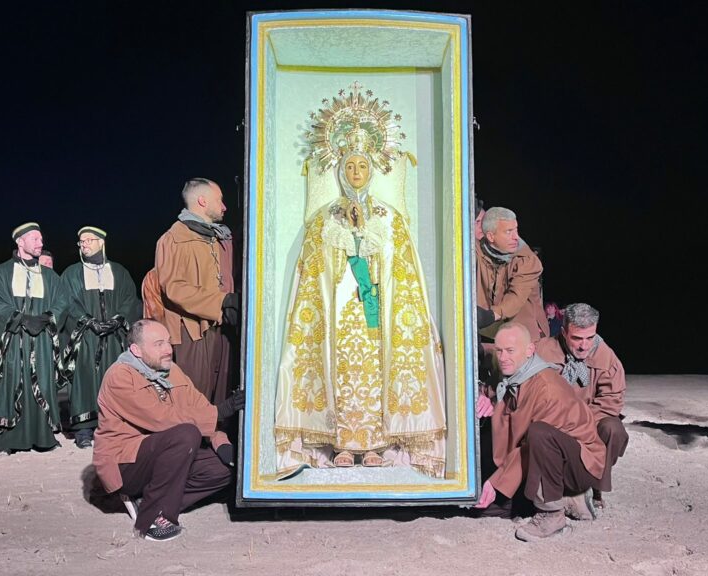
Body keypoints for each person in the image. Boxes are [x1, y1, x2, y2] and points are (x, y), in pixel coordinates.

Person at [274, 83, 447, 477]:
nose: (356, 173)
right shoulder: (324, 219)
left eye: (362, 166)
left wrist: (365, 240)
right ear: (339, 170)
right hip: (338, 311)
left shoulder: (389, 217)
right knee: (339, 370)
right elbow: (313, 270)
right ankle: (338, 443)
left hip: (377, 310)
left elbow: (402, 269)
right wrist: (346, 240)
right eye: (349, 166)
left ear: (372, 169)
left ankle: (374, 443)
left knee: (376, 370)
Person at [92, 319, 243, 541]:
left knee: (225, 471)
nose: (168, 350)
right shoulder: (119, 376)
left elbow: (202, 410)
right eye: (159, 344)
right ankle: (152, 517)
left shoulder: (173, 371)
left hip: (164, 456)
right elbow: (160, 419)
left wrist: (223, 445)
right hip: (127, 462)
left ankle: (147, 500)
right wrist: (221, 411)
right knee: (186, 434)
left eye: (169, 343)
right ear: (136, 350)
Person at [474, 322, 604, 541]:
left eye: (510, 351)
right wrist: (483, 397)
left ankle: (552, 512)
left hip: (579, 464)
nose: (503, 357)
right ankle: (566, 498)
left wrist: (496, 483)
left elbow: (531, 446)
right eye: (499, 350)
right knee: (483, 509)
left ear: (529, 351)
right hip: (541, 461)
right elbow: (489, 390)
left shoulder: (546, 388)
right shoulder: (512, 373)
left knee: (539, 433)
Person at [0, 222, 69, 454]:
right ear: (20, 241)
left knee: (41, 383)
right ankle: (7, 440)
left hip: (41, 340)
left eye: (41, 239)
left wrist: (44, 319)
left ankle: (43, 437)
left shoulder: (51, 277)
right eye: (35, 239)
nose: (41, 243)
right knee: (9, 384)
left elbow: (62, 301)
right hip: (11, 341)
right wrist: (20, 319)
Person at [154, 178, 239, 405]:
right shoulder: (173, 239)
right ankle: (191, 440)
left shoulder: (221, 238)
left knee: (223, 394)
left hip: (223, 327)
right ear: (202, 200)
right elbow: (173, 288)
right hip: (192, 330)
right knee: (193, 397)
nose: (224, 207)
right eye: (219, 200)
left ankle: (217, 437)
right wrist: (222, 302)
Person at [536, 303, 628, 510]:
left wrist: (580, 423)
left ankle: (594, 485)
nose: (584, 346)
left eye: (590, 338)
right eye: (577, 338)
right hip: (554, 419)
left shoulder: (606, 357)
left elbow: (612, 400)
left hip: (591, 419)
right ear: (563, 332)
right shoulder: (542, 351)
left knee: (614, 429)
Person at [60, 226, 141, 448]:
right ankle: (83, 429)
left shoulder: (119, 272)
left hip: (114, 337)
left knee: (115, 379)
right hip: (85, 337)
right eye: (81, 242)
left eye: (88, 240)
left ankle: (115, 426)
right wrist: (87, 321)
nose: (84, 244)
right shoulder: (71, 273)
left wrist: (118, 319)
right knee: (84, 379)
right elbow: (67, 302)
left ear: (101, 242)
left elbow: (129, 300)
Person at [475, 207, 551, 347]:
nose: (516, 236)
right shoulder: (477, 250)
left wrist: (489, 316)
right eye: (509, 232)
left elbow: (515, 298)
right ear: (490, 237)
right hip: (492, 332)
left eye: (516, 230)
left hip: (525, 335)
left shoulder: (527, 261)